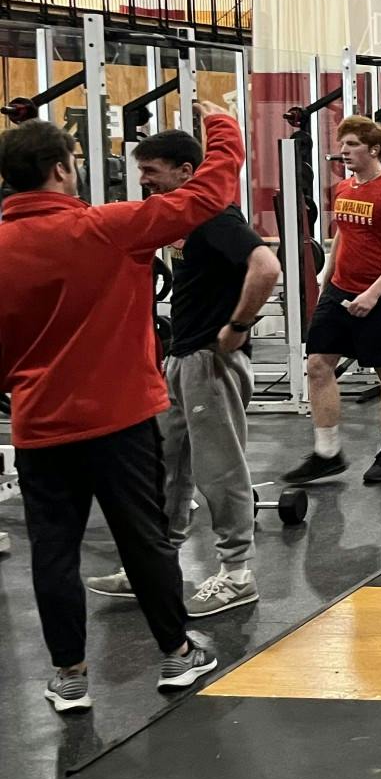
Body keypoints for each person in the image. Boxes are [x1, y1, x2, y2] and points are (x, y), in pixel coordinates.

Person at [0, 105, 242, 712]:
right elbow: (208, 192)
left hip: (39, 424)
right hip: (119, 419)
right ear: (59, 170)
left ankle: (71, 676)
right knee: (145, 539)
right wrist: (223, 128)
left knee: (54, 551)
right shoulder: (107, 227)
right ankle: (176, 655)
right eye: (76, 162)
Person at [86, 130, 278, 618]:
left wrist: (237, 327)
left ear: (185, 172)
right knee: (165, 465)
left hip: (208, 363)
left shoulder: (216, 217)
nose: (144, 181)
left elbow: (266, 266)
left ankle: (237, 574)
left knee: (220, 470)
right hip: (181, 360)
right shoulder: (191, 221)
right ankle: (154, 564)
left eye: (151, 171)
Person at [283, 115, 381, 486]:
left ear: (374, 149)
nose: (343, 151)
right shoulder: (345, 189)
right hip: (341, 291)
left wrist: (373, 293)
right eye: (342, 144)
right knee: (317, 365)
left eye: (351, 145)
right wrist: (326, 274)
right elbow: (345, 234)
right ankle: (327, 452)